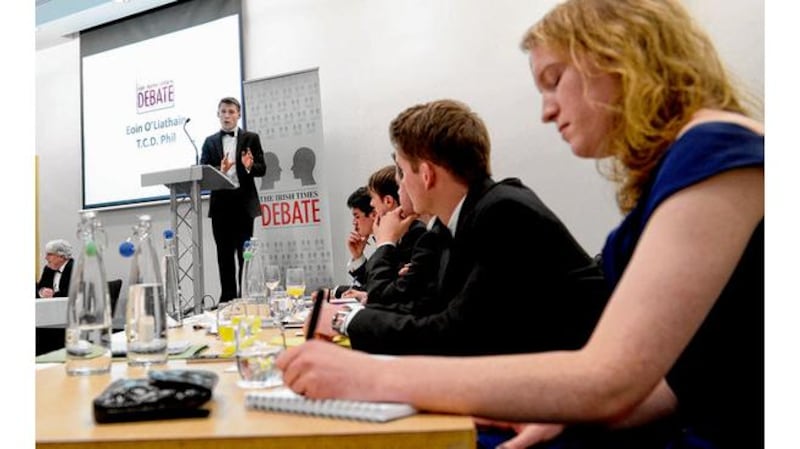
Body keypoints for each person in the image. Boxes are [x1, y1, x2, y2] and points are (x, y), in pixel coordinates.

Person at [278, 1, 764, 448]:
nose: (547, 110)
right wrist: (562, 413)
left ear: (618, 58)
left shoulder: (716, 153)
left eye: (554, 79)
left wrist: (365, 378)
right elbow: (699, 368)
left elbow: (609, 378)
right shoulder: (698, 158)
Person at [305, 99, 608, 357]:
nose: (400, 185)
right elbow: (427, 310)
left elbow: (455, 334)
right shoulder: (457, 222)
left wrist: (344, 321)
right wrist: (351, 318)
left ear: (425, 174)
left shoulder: (502, 212)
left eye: (401, 171)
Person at [200, 97, 267, 304]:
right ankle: (228, 300)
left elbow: (262, 168)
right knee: (224, 256)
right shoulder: (210, 142)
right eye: (223, 112)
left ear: (238, 114)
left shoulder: (251, 138)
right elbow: (201, 173)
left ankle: (245, 298)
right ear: (218, 115)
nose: (226, 116)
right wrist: (220, 171)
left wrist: (248, 166)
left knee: (245, 256)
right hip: (221, 208)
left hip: (243, 206)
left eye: (230, 112)